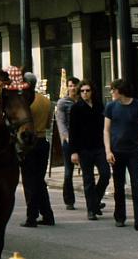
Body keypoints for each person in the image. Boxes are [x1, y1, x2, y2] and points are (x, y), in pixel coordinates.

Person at [104, 78, 138, 232]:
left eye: (113, 90)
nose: (111, 92)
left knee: (136, 186)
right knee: (118, 186)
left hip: (134, 151)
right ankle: (120, 216)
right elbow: (106, 130)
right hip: (117, 151)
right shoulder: (111, 107)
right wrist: (108, 151)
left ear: (120, 91)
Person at [69, 80, 110, 221]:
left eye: (87, 90)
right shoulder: (76, 108)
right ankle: (91, 210)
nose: (85, 93)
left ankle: (95, 201)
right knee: (88, 180)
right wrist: (73, 152)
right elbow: (72, 131)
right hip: (84, 149)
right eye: (82, 91)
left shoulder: (99, 106)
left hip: (99, 147)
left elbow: (106, 127)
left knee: (105, 174)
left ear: (92, 92)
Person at [19, 69, 55, 228]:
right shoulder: (46, 101)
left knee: (29, 181)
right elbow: (48, 124)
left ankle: (31, 216)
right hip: (42, 141)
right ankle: (47, 214)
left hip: (28, 142)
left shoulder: (25, 101)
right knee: (39, 180)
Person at [55, 76, 79, 210]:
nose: (73, 88)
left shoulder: (82, 100)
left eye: (75, 85)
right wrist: (66, 137)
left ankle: (93, 200)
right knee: (68, 171)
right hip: (69, 141)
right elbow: (61, 123)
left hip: (83, 140)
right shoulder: (63, 103)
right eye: (70, 86)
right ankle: (69, 200)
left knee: (88, 170)